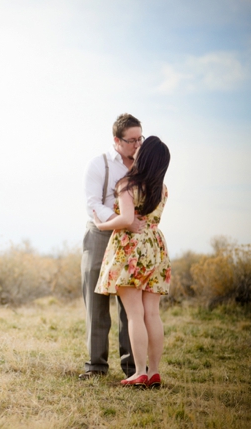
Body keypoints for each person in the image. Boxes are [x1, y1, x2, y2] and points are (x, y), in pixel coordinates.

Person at [93, 135, 171, 388]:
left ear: (145, 156)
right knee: (152, 314)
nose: (136, 148)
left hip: (131, 248)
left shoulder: (127, 184)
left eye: (141, 146)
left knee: (135, 314)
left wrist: (102, 224)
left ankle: (139, 372)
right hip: (155, 246)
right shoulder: (162, 188)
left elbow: (127, 219)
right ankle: (154, 371)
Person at [79, 113, 145, 380]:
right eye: (132, 140)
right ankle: (96, 366)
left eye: (141, 138)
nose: (138, 144)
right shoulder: (99, 164)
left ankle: (133, 368)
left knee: (131, 306)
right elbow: (93, 204)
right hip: (100, 235)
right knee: (96, 303)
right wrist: (122, 222)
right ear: (116, 140)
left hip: (133, 240)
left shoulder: (145, 165)